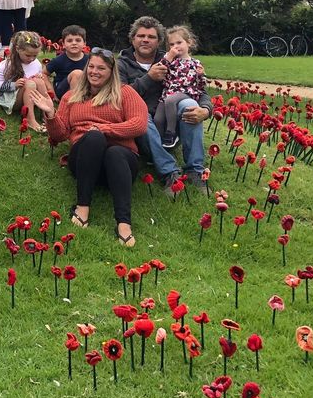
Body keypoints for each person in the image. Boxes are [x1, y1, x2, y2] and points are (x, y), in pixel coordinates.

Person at [28, 48, 148, 247]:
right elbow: (60, 135)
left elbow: (139, 124)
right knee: (93, 138)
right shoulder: (71, 97)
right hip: (85, 159)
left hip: (120, 164)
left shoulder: (125, 93)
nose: (94, 71)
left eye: (101, 68)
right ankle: (83, 207)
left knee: (114, 151)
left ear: (111, 72)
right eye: (91, 66)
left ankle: (124, 223)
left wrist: (104, 128)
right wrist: (50, 114)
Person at [117, 16, 214, 193]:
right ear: (133, 39)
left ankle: (195, 170)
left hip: (171, 127)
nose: (145, 40)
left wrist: (205, 110)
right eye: (140, 36)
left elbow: (200, 91)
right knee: (141, 114)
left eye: (151, 37)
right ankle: (169, 173)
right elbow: (119, 98)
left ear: (160, 41)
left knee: (189, 104)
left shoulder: (173, 60)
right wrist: (148, 78)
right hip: (141, 128)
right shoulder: (121, 65)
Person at [155, 25, 208, 149]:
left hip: (185, 92)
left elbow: (201, 86)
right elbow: (160, 68)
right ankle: (160, 145)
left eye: (179, 42)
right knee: (158, 119)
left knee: (170, 101)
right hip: (168, 92)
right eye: (172, 44)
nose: (175, 47)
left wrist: (201, 75)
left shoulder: (195, 63)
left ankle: (171, 133)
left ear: (189, 43)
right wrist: (169, 57)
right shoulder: (170, 60)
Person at [0, 30, 50, 122]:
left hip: (31, 98)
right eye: (28, 55)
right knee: (30, 83)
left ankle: (47, 114)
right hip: (11, 99)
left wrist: (39, 77)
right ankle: (30, 120)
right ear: (18, 49)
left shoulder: (36, 63)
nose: (31, 59)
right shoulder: (7, 64)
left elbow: (39, 79)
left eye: (35, 56)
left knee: (39, 81)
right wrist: (14, 84)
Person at [44, 25, 89, 100]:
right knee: (77, 74)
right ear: (63, 44)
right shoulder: (58, 60)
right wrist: (51, 90)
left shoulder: (89, 59)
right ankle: (74, 104)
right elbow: (43, 73)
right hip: (63, 90)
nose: (74, 43)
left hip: (83, 88)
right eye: (69, 41)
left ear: (84, 43)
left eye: (78, 40)